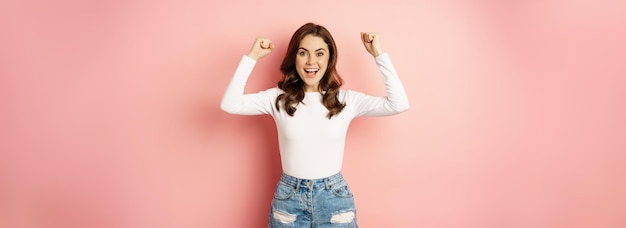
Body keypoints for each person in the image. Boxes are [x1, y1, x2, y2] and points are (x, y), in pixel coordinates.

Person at [221, 22, 409, 227]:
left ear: (329, 59)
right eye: (303, 53)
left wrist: (378, 54)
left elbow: (398, 104)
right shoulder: (277, 99)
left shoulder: (346, 100)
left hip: (334, 199)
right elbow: (230, 104)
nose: (311, 61)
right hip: (289, 199)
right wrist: (252, 57)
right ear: (294, 58)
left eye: (319, 53)